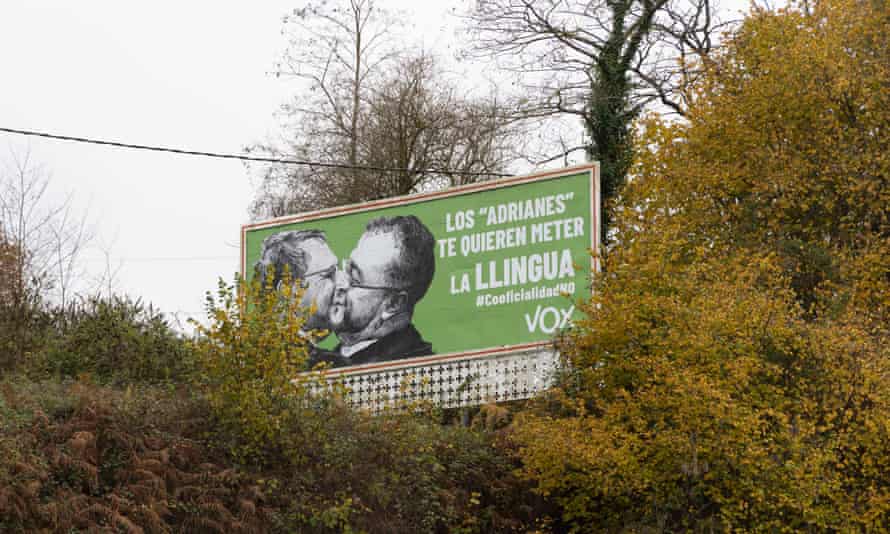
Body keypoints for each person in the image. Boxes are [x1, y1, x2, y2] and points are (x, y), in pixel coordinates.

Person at [328, 215, 436, 366]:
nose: (338, 283)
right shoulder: (331, 358)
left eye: (353, 278)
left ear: (393, 304)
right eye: (346, 268)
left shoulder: (413, 369)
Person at [253, 229, 340, 366]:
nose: (341, 282)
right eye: (329, 274)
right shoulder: (328, 365)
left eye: (338, 269)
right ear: (288, 290)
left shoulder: (252, 354)